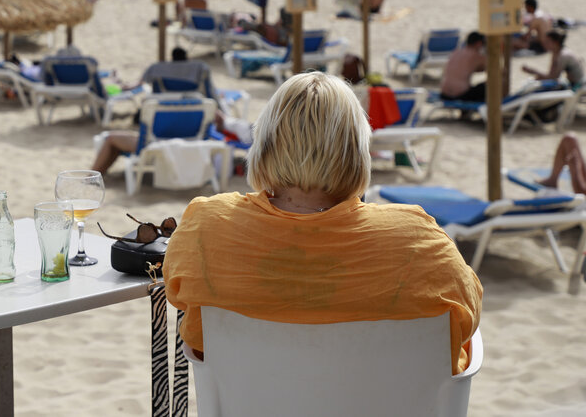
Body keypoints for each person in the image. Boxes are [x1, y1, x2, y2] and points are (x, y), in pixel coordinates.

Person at [163, 72, 482, 375]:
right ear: (357, 152)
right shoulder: (419, 241)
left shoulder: (206, 226)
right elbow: (467, 317)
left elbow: (184, 308)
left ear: (265, 146)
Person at [91, 47, 219, 175]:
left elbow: (137, 85)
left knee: (111, 138)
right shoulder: (203, 105)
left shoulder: (155, 105)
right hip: (191, 145)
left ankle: (91, 177)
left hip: (154, 146)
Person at [440, 31, 487, 102]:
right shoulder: (476, 56)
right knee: (487, 87)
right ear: (479, 43)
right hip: (459, 96)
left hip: (444, 94)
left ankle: (465, 112)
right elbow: (493, 68)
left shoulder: (456, 52)